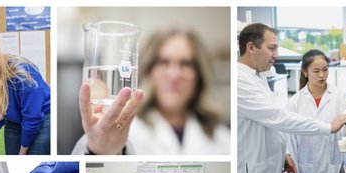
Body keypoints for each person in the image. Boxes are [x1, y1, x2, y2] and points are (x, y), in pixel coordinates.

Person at [73, 26, 229, 155]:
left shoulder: (222, 138)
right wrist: (98, 150)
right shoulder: (121, 130)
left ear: (199, 74)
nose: (174, 74)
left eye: (186, 64)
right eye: (163, 62)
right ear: (148, 71)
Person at [237, 23, 346, 173]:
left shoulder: (257, 77)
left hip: (273, 168)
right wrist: (329, 127)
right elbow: (279, 118)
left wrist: (283, 154)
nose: (276, 55)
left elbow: (270, 123)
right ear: (251, 47)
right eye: (272, 48)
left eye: (325, 70)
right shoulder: (240, 81)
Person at [286, 49, 346, 173]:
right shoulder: (295, 102)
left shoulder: (340, 96)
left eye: (325, 70)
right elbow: (290, 140)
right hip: (306, 165)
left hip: (332, 162)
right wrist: (294, 170)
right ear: (305, 72)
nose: (322, 75)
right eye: (316, 71)